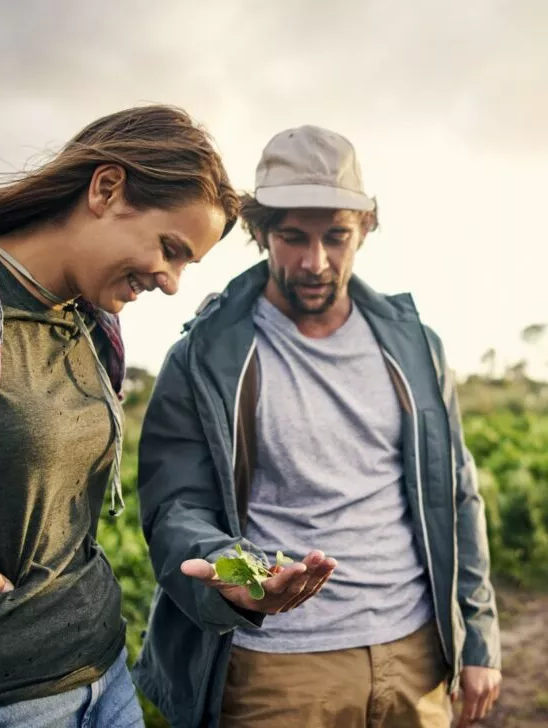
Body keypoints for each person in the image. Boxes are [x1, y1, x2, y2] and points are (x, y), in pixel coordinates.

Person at [132, 124, 502, 728]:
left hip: (415, 653)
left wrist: (478, 637)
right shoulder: (204, 357)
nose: (315, 261)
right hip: (276, 670)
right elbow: (176, 512)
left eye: (337, 237)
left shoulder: (416, 348)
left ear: (366, 230)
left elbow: (456, 494)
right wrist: (238, 574)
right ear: (257, 232)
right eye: (292, 237)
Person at [0, 104, 240, 727]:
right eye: (171, 248)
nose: (171, 282)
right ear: (106, 189)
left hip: (103, 675)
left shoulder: (95, 325)